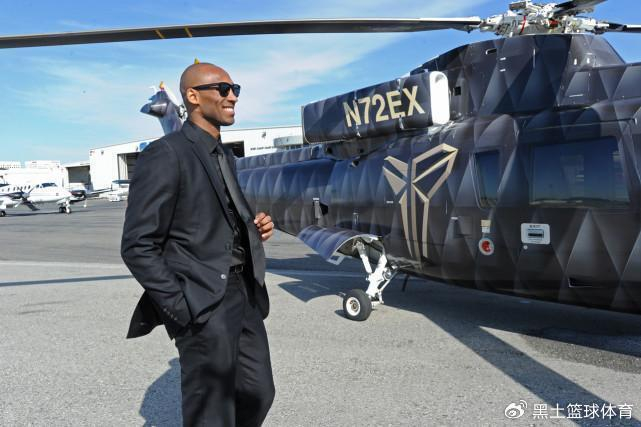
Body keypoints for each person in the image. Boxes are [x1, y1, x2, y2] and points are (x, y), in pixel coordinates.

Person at [121, 62, 275, 427]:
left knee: (258, 392)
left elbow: (214, 219)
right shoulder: (166, 153)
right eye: (223, 89)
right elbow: (137, 244)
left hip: (243, 292)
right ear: (193, 96)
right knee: (211, 411)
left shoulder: (224, 156)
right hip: (202, 299)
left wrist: (254, 228)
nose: (232, 96)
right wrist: (182, 307)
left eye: (235, 88)